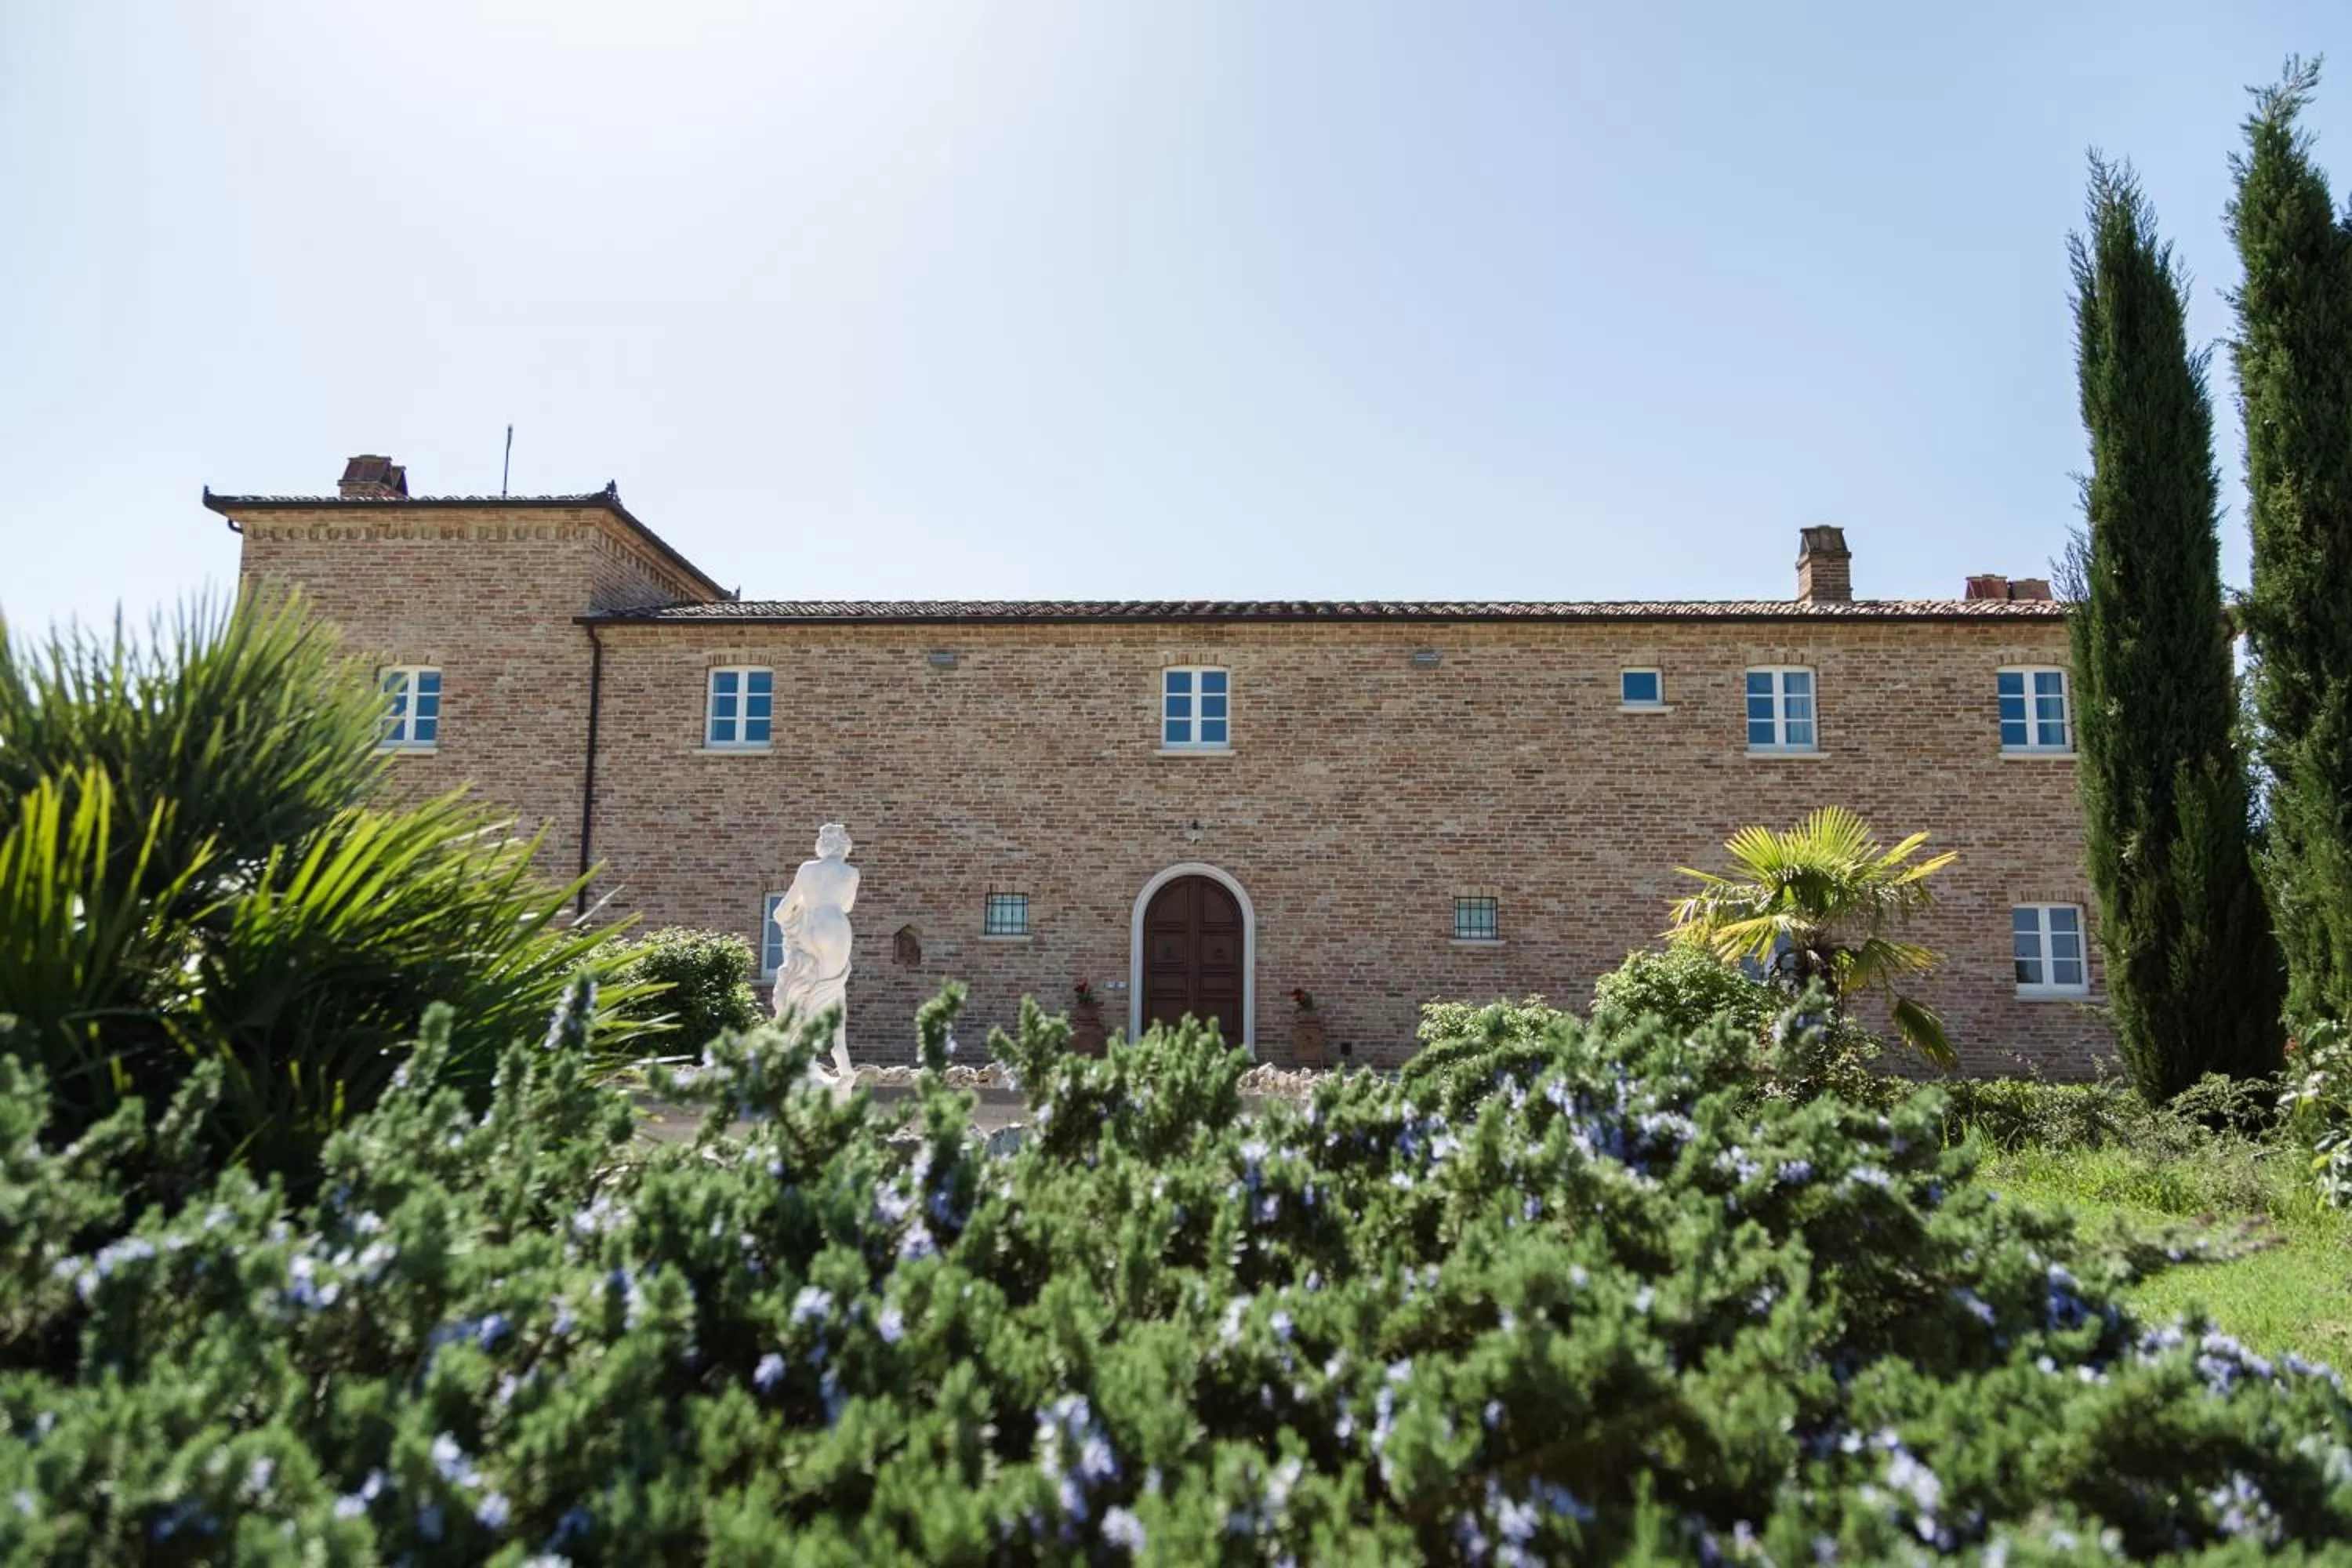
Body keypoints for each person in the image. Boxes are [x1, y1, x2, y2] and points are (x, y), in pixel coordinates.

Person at [774, 822, 858, 1087]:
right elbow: (846, 906)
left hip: (808, 928)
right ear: (844, 847)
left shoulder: (806, 869)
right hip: (835, 928)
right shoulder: (850, 872)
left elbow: (781, 912)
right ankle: (830, 1055)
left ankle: (814, 1056)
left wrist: (794, 923)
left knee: (808, 988)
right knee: (830, 989)